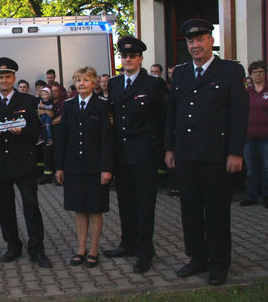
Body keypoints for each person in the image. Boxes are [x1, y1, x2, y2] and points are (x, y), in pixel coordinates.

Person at [165, 18, 248, 286]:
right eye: (191, 41)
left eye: (200, 39)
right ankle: (197, 257)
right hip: (186, 155)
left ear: (211, 41)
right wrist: (169, 147)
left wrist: (235, 152)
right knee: (189, 211)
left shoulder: (230, 71)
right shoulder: (180, 73)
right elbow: (172, 114)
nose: (195, 45)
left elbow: (239, 115)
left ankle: (219, 262)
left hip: (216, 156)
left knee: (217, 212)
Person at [0, 57, 52, 268]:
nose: (4, 80)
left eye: (8, 76)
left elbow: (38, 130)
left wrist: (23, 131)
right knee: (5, 207)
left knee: (31, 205)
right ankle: (12, 245)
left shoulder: (29, 101)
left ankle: (37, 249)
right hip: (0, 164)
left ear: (14, 78)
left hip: (24, 163)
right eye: (0, 77)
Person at [104, 36, 167, 274]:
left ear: (141, 59)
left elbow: (162, 120)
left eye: (132, 56)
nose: (127, 60)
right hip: (122, 155)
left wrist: (161, 153)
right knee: (125, 203)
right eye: (124, 56)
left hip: (144, 155)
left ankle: (144, 251)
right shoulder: (114, 84)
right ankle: (127, 244)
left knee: (144, 205)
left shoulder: (153, 85)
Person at [55, 66, 113, 268]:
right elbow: (62, 137)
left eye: (86, 80)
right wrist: (59, 166)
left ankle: (94, 249)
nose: (82, 83)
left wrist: (106, 168)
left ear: (94, 83)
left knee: (95, 209)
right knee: (79, 209)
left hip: (95, 166)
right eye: (78, 80)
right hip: (73, 166)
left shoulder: (102, 105)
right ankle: (81, 248)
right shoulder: (68, 105)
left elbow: (106, 139)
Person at [240, 60, 268, 208]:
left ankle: (266, 195)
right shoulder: (246, 92)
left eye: (261, 71)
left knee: (266, 167)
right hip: (249, 136)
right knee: (251, 167)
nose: (258, 74)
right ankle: (251, 195)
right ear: (250, 75)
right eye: (255, 72)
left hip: (266, 137)